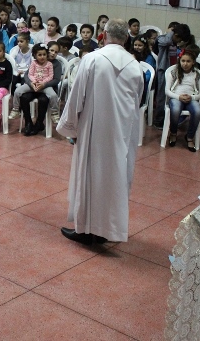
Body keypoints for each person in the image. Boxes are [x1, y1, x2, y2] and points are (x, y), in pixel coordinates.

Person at [58, 18, 144, 245]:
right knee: (115, 178)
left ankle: (86, 229)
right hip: (123, 132)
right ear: (127, 38)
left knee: (90, 177)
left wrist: (71, 126)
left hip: (94, 129)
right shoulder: (135, 65)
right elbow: (138, 100)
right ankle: (107, 229)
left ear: (104, 35)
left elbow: (77, 95)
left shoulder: (93, 59)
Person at [165, 50, 200, 152]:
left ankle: (189, 137)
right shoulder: (174, 72)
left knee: (197, 111)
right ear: (180, 61)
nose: (185, 64)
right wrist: (179, 97)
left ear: (193, 62)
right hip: (176, 97)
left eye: (188, 61)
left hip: (191, 97)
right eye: (183, 61)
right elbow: (167, 91)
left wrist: (192, 97)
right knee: (176, 109)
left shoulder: (197, 74)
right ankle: (173, 133)